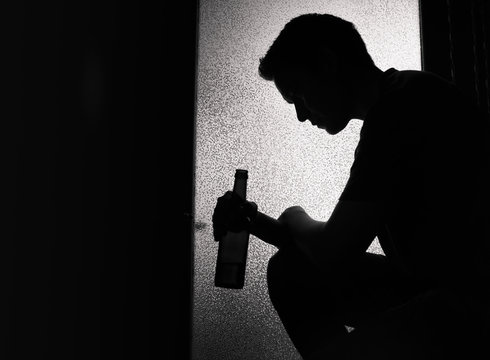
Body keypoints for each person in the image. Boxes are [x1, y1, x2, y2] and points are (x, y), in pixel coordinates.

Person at [212, 13, 490, 360]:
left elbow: (333, 251)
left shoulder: (398, 113)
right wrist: (253, 220)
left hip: (473, 307)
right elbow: (332, 248)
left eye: (297, 92)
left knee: (292, 274)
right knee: (292, 270)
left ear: (327, 63)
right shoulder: (401, 99)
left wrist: (293, 215)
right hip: (439, 290)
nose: (300, 115)